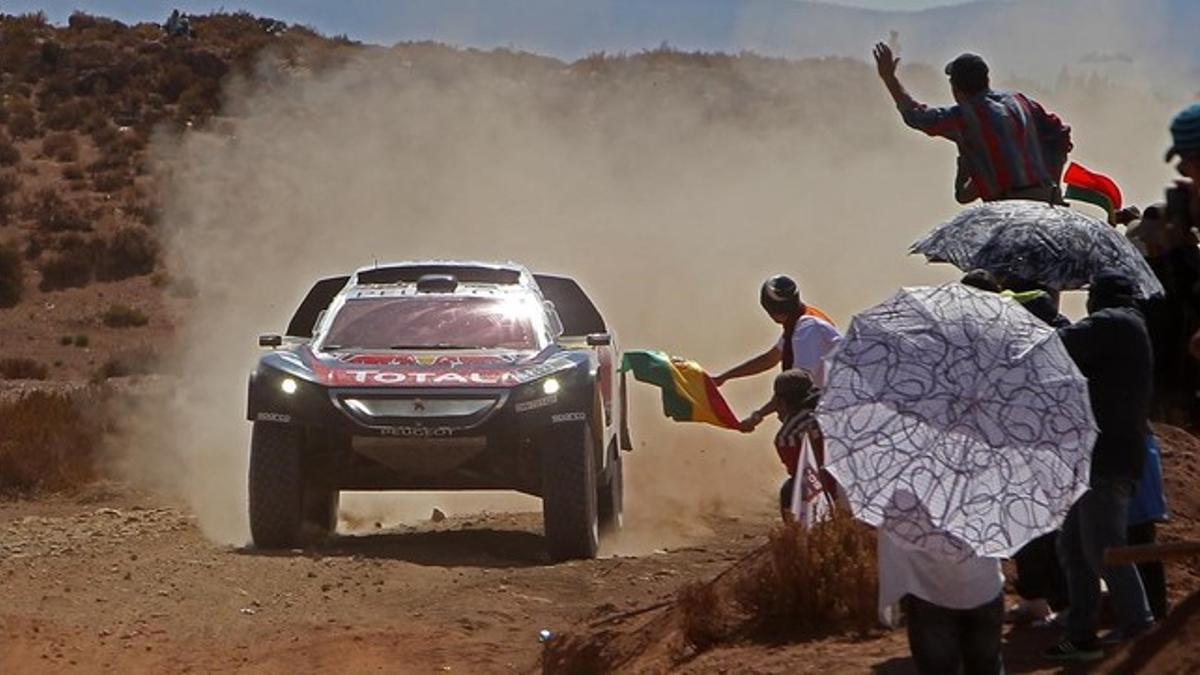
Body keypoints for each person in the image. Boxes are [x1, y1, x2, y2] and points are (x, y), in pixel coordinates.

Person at [1045, 272, 1155, 662]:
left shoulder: (1115, 323)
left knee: (1104, 550)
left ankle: (1140, 629)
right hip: (1096, 455)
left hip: (1105, 457)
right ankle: (1082, 634)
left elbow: (1061, 344)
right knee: (1074, 547)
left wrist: (1040, 319)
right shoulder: (1128, 326)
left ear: (1101, 297)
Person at [872, 43, 1072, 204]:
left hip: (1006, 210)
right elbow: (1060, 134)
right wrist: (1049, 182)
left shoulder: (964, 117)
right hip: (1046, 201)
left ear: (955, 88)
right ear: (986, 79)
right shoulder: (1020, 101)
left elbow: (916, 116)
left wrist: (889, 79)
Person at [713, 275, 841, 432]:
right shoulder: (802, 322)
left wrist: (758, 416)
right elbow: (770, 359)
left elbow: (795, 386)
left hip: (837, 411)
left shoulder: (807, 330)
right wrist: (724, 377)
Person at [878, 527, 1005, 674]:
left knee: (938, 666)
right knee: (986, 665)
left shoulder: (904, 505)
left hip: (930, 590)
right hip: (984, 587)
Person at [771, 369, 834, 522]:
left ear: (780, 402)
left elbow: (801, 473)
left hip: (828, 492)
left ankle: (804, 532)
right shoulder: (833, 412)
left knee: (790, 489)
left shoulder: (789, 434)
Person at [1127, 434, 1169, 621]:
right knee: (1139, 540)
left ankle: (1154, 610)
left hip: (1132, 460)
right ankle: (1154, 609)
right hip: (1132, 456)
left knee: (1140, 541)